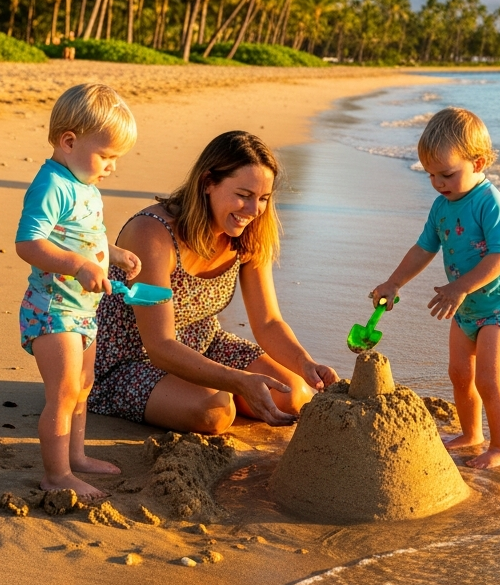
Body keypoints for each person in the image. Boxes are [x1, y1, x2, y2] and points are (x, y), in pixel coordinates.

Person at [88, 131, 338, 433]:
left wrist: (305, 364)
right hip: (130, 360)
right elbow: (159, 345)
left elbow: (268, 322)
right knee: (216, 411)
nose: (252, 210)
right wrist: (238, 381)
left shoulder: (249, 236)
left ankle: (216, 389)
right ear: (208, 183)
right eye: (243, 195)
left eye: (262, 199)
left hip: (205, 345)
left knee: (293, 394)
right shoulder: (151, 234)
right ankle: (214, 392)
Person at [369, 108, 500, 469]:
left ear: (478, 162)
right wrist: (394, 282)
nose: (439, 183)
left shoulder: (490, 202)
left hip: (499, 309)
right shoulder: (442, 207)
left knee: (488, 380)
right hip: (464, 309)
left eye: (448, 174)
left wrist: (460, 288)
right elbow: (424, 247)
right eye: (431, 176)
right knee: (459, 374)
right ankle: (472, 434)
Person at [14, 83, 142, 500]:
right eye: (106, 156)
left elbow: (83, 235)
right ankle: (56, 474)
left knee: (84, 385)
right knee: (64, 391)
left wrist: (114, 254)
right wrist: (80, 265)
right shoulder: (52, 184)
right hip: (53, 310)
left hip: (82, 309)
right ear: (69, 141)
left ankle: (77, 456)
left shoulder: (84, 183)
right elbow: (29, 243)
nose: (112, 167)